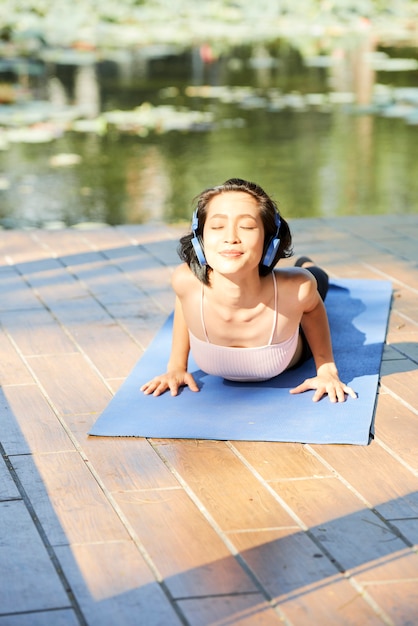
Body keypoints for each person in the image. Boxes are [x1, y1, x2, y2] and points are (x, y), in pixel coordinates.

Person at [141, 178, 356, 403]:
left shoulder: (298, 288)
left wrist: (327, 370)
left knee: (315, 279)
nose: (231, 238)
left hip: (289, 335)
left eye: (247, 227)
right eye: (217, 227)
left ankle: (307, 264)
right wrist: (176, 366)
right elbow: (184, 300)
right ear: (200, 239)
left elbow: (312, 310)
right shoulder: (186, 281)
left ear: (268, 239)